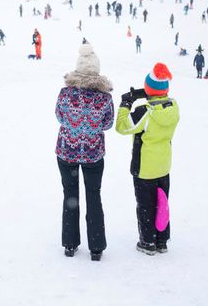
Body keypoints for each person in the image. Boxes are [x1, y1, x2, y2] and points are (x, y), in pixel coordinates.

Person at [55, 44, 114, 261]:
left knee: (70, 196)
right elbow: (108, 124)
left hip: (67, 152)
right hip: (93, 154)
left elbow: (60, 117)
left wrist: (74, 127)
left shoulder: (65, 93)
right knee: (94, 196)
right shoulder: (105, 98)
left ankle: (70, 244)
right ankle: (96, 247)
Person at [116, 63, 179, 255]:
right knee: (162, 203)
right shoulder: (173, 107)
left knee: (145, 205)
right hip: (163, 164)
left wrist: (126, 105)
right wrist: (151, 95)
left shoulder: (145, 111)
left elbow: (122, 126)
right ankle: (161, 241)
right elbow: (159, 103)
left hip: (144, 167)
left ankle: (147, 241)